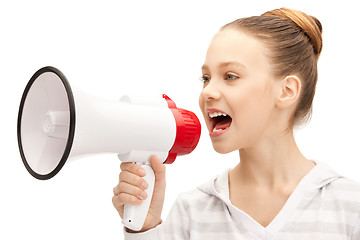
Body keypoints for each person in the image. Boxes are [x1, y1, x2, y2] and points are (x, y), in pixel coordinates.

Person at [112, 7, 360, 239]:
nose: (208, 91)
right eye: (206, 78)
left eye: (230, 76)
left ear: (286, 90)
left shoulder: (350, 207)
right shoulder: (193, 211)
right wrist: (145, 228)